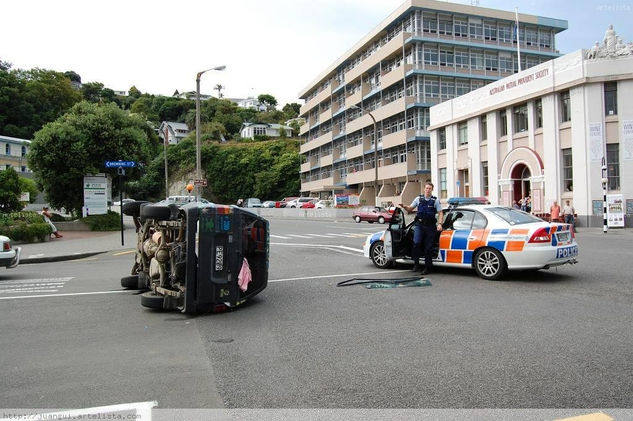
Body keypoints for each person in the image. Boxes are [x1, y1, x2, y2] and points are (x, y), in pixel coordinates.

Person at [400, 182, 443, 275]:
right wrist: (404, 206)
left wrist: (440, 224)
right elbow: (410, 209)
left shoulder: (435, 201)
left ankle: (427, 267)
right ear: (424, 189)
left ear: (432, 190)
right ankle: (416, 263)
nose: (428, 190)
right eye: (426, 188)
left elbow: (440, 213)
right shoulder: (418, 199)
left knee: (428, 247)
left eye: (430, 188)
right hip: (419, 225)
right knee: (416, 242)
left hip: (430, 226)